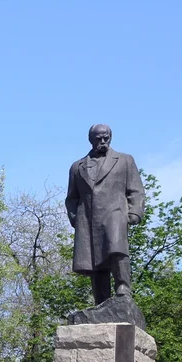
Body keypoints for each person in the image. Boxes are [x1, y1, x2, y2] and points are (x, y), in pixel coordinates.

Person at [65, 124, 145, 305]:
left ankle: (123, 289)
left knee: (117, 251)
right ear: (91, 139)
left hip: (115, 213)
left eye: (105, 138)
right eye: (98, 138)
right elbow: (72, 198)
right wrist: (76, 219)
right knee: (94, 261)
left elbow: (136, 190)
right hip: (88, 219)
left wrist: (135, 212)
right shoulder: (77, 167)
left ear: (110, 137)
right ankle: (101, 301)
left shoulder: (125, 160)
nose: (102, 141)